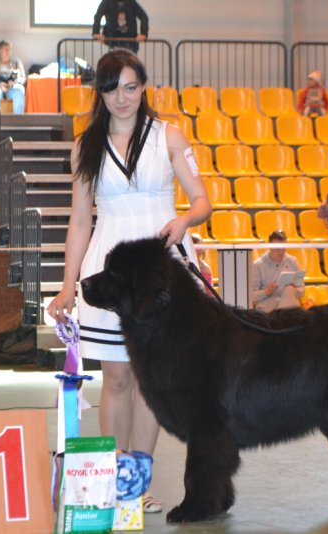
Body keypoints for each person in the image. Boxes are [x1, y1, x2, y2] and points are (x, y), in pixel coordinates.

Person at [46, 49, 211, 514]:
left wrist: (184, 220)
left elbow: (202, 201)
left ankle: (139, 485)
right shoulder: (86, 146)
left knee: (150, 380)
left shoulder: (169, 136)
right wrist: (67, 285)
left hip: (160, 271)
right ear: (99, 92)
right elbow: (80, 220)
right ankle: (112, 481)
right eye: (112, 88)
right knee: (115, 378)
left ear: (143, 87)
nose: (122, 97)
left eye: (131, 87)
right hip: (110, 273)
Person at [251, 230, 305, 312]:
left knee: (289, 289)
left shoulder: (293, 261)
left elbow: (301, 288)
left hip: (289, 300)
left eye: (283, 247)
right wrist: (266, 292)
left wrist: (295, 290)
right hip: (268, 305)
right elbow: (251, 296)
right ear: (269, 246)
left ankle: (283, 315)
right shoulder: (258, 265)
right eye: (277, 247)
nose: (280, 251)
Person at [0, 40, 26, 114]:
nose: (8, 52)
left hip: (12, 85)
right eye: (5, 49)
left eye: (9, 49)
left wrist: (15, 82)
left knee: (18, 92)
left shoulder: (16, 62)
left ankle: (17, 119)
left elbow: (23, 78)